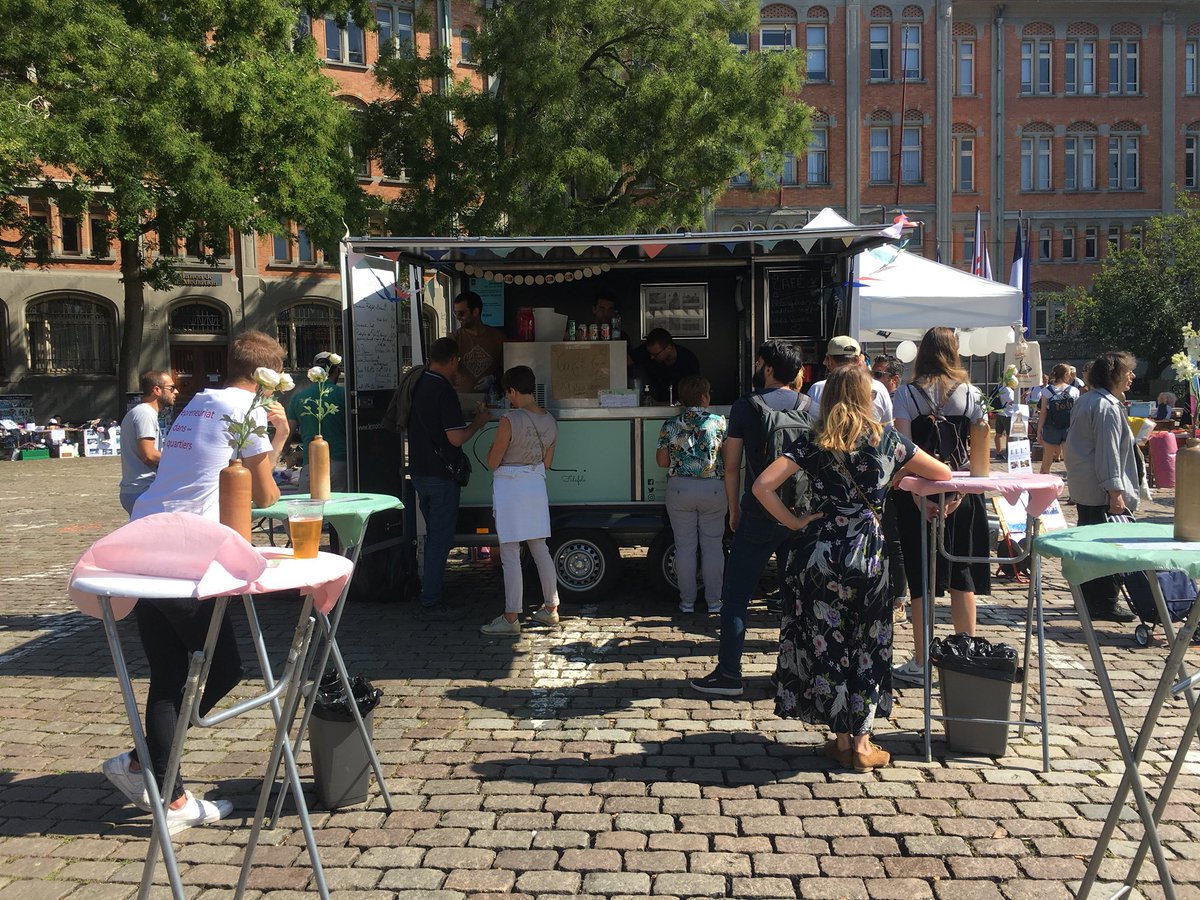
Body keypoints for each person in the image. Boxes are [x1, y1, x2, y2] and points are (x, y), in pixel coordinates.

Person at [104, 331, 292, 832]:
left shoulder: (199, 400)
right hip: (187, 551)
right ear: (265, 379)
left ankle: (158, 779)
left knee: (168, 674)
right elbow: (266, 494)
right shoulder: (249, 410)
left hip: (147, 537)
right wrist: (280, 437)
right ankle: (154, 774)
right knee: (224, 667)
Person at [754, 366, 951, 772]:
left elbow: (762, 487)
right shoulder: (888, 440)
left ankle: (841, 741)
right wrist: (896, 477)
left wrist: (793, 522)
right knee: (868, 644)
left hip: (820, 555)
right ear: (868, 397)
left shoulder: (813, 441)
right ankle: (862, 743)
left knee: (827, 643)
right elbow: (942, 474)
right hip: (868, 555)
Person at [690, 340, 811, 697]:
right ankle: (791, 672)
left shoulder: (746, 406)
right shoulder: (811, 406)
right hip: (800, 513)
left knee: (737, 595)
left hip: (759, 510)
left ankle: (729, 673)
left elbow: (732, 466)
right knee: (797, 597)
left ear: (769, 368)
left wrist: (734, 508)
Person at [891, 327, 991, 686]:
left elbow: (902, 452)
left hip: (916, 491)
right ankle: (965, 656)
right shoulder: (972, 394)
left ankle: (921, 660)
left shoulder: (905, 394)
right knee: (962, 575)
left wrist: (919, 495)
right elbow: (980, 455)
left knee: (921, 577)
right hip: (962, 491)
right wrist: (961, 491)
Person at [409, 337, 491, 615]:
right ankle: (431, 599)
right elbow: (456, 438)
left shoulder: (419, 382)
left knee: (433, 536)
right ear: (454, 360)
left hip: (420, 470)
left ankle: (430, 592)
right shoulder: (443, 391)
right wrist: (478, 424)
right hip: (441, 475)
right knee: (439, 540)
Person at [480, 365, 561, 635]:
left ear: (513, 390)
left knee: (511, 553)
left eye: (508, 392)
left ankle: (511, 616)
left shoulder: (509, 420)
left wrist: (494, 447)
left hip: (511, 488)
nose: (508, 397)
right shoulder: (550, 420)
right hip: (536, 485)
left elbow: (493, 461)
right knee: (540, 549)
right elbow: (547, 463)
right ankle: (551, 608)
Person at [1064, 351, 1140, 623]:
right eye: (1128, 371)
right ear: (1113, 375)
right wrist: (1115, 492)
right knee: (1106, 548)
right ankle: (1104, 602)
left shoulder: (1089, 400)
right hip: (1100, 490)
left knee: (1090, 544)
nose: (1132, 376)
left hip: (1087, 487)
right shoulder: (1106, 406)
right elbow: (1108, 453)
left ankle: (1089, 599)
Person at [656, 375, 728, 615]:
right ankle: (714, 602)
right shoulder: (719, 422)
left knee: (685, 547)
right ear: (704, 397)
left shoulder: (671, 424)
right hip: (713, 488)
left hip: (680, 489)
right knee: (713, 546)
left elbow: (662, 461)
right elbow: (728, 458)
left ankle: (687, 603)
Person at [869, 353, 907, 624]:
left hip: (897, 480)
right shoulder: (874, 400)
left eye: (879, 375)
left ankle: (899, 600)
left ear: (893, 380)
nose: (874, 379)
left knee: (895, 542)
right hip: (877, 480)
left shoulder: (900, 403)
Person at [287, 351, 348, 492]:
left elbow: (287, 433)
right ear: (337, 371)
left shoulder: (299, 398)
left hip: (311, 465)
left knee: (309, 511)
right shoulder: (343, 395)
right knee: (338, 511)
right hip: (340, 464)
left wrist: (286, 453)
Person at [118, 371, 177, 515]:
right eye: (171, 388)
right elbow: (149, 455)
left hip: (139, 490)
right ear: (157, 390)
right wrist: (178, 461)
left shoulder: (143, 413)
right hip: (141, 490)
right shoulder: (145, 414)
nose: (176, 392)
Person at [808, 336, 893, 424]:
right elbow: (888, 427)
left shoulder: (817, 389)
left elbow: (812, 425)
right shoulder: (879, 388)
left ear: (829, 361)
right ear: (859, 360)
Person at [450, 290, 505, 395]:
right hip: (461, 400)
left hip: (491, 400)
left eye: (461, 313)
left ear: (475, 312)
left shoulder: (497, 337)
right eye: (455, 313)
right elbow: (444, 366)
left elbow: (506, 367)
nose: (457, 317)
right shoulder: (454, 338)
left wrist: (493, 378)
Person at [631, 327, 700, 403]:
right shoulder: (647, 350)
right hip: (652, 404)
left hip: (680, 405)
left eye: (656, 354)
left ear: (669, 348)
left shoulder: (688, 360)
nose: (651, 357)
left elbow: (694, 390)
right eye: (650, 354)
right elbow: (623, 361)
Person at [1037, 364, 1080, 474]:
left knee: (1047, 460)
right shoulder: (1074, 391)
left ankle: (1043, 485)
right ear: (1066, 374)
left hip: (1051, 427)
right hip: (1068, 428)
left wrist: (1039, 431)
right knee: (1069, 461)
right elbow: (1076, 412)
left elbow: (1043, 412)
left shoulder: (1046, 391)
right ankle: (1073, 485)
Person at [992, 374, 1018, 457]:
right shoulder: (1008, 390)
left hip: (1000, 413)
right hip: (1008, 414)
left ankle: (998, 452)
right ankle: (1009, 452)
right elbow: (1011, 401)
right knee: (1009, 434)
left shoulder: (1000, 388)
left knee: (998, 434)